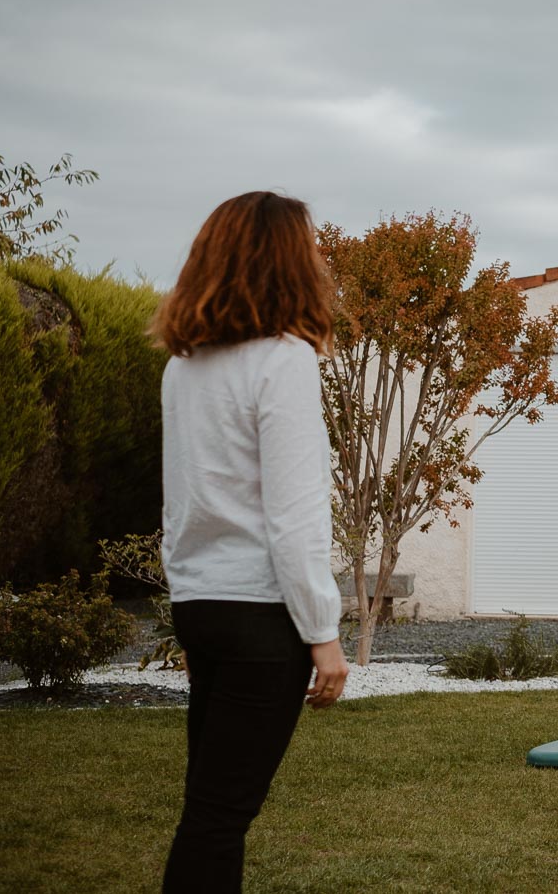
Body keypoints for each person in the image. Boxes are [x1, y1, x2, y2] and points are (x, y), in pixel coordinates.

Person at [152, 190, 349, 892]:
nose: (321, 258)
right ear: (286, 260)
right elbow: (294, 516)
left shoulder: (184, 366)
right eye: (312, 245)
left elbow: (183, 501)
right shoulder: (284, 360)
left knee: (207, 811)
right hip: (261, 616)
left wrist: (188, 595)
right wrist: (322, 632)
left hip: (202, 604)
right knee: (218, 817)